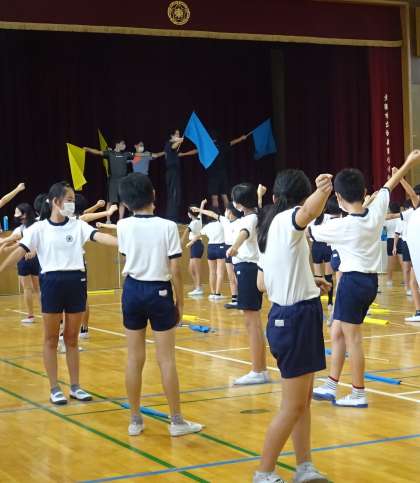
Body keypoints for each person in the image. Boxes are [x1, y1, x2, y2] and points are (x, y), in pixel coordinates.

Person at [311, 150, 420, 408]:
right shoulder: (376, 210)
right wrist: (409, 162)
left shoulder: (339, 226)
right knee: (337, 331)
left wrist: (319, 192)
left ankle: (358, 393)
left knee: (353, 339)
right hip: (368, 283)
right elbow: (389, 184)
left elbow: (310, 226)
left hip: (351, 282)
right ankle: (331, 385)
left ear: (338, 197)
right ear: (363, 192)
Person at [0, 181, 118, 405]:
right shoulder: (38, 229)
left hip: (76, 281)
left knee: (71, 338)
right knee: (51, 339)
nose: (73, 204)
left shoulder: (78, 225)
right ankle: (54, 388)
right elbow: (19, 252)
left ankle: (75, 387)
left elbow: (100, 237)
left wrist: (123, 243)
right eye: (69, 200)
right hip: (52, 282)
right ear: (56, 202)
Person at [253, 169, 332, 483]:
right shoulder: (288, 220)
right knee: (293, 405)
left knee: (303, 402)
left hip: (299, 314)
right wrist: (323, 189)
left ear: (274, 197)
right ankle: (264, 471)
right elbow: (308, 212)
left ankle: (304, 466)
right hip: (294, 320)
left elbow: (262, 283)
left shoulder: (273, 228)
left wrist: (308, 280)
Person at [116, 172, 202, 437]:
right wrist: (180, 302)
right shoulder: (167, 226)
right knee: (166, 360)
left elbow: (126, 256)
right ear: (153, 194)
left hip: (132, 290)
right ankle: (176, 421)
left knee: (134, 358)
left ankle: (134, 420)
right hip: (159, 291)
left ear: (126, 202)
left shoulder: (122, 225)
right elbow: (175, 269)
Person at [226, 183, 270, 385]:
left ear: (239, 203)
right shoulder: (257, 214)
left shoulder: (249, 219)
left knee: (252, 321)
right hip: (251, 269)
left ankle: (259, 370)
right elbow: (255, 212)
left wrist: (234, 247)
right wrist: (259, 195)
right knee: (252, 321)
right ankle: (260, 369)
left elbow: (244, 232)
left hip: (247, 269)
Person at [192, 201, 242, 308]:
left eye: (226, 210)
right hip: (226, 249)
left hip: (237, 248)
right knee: (231, 276)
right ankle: (234, 299)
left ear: (231, 211)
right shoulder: (224, 221)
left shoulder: (240, 221)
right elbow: (212, 214)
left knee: (238, 275)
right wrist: (199, 210)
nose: (225, 212)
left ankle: (242, 298)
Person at [0, 203, 40, 324]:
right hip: (31, 258)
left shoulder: (33, 226)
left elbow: (12, 242)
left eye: (17, 212)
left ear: (24, 214)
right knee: (36, 289)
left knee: (30, 289)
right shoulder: (26, 227)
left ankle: (32, 316)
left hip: (29, 258)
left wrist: (4, 243)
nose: (14, 215)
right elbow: (10, 245)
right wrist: (5, 246)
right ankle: (44, 315)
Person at [84, 140, 133, 221]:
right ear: (117, 144)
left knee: (122, 202)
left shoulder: (126, 154)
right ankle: (108, 220)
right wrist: (87, 149)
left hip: (123, 181)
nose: (124, 145)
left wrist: (149, 154)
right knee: (110, 201)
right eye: (123, 144)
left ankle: (120, 220)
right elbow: (98, 152)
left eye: (125, 144)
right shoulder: (110, 153)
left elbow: (138, 154)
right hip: (113, 181)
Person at [189, 202, 226, 300]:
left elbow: (198, 235)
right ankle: (217, 294)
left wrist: (191, 242)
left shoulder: (207, 226)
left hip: (210, 248)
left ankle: (212, 293)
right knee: (220, 272)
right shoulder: (222, 223)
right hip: (221, 247)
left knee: (212, 272)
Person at [207, 131, 248, 209]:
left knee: (214, 197)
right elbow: (232, 142)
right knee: (224, 196)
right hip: (223, 174)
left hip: (213, 175)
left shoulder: (208, 147)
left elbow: (196, 150)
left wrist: (184, 154)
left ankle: (215, 215)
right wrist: (241, 138)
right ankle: (229, 215)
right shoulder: (222, 145)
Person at [164, 129, 197, 222]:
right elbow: (173, 146)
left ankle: (174, 216)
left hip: (175, 173)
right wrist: (180, 140)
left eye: (179, 134)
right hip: (171, 173)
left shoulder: (176, 149)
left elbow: (185, 153)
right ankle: (171, 217)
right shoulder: (169, 144)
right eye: (177, 134)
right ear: (172, 136)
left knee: (177, 195)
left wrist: (197, 150)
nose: (178, 135)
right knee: (173, 194)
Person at [181, 200, 206, 296]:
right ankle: (197, 286)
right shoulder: (199, 219)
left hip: (196, 245)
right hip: (195, 246)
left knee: (196, 269)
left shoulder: (193, 223)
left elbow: (186, 231)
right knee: (191, 269)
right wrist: (202, 204)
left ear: (189, 214)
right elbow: (201, 212)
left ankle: (198, 288)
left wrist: (182, 240)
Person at [384, 202, 402, 287]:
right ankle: (406, 280)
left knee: (390, 262)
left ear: (390, 209)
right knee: (403, 262)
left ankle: (389, 281)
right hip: (401, 239)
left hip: (391, 240)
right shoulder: (400, 217)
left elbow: (383, 228)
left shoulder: (387, 218)